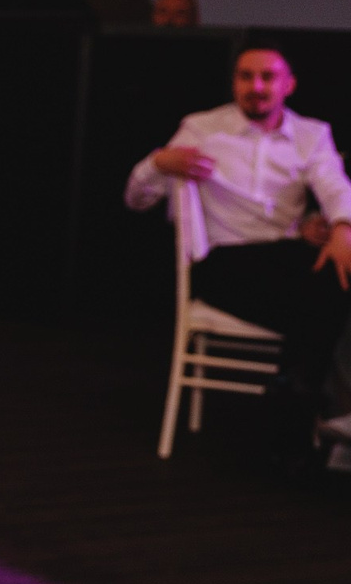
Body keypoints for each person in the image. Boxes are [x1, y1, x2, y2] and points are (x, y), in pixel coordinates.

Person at [125, 39, 351, 451]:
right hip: (223, 262)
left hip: (286, 260)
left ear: (289, 85)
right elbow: (136, 200)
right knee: (331, 294)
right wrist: (158, 163)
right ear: (234, 83)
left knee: (335, 278)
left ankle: (294, 402)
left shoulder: (311, 134)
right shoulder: (202, 128)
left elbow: (334, 185)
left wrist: (343, 227)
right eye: (246, 76)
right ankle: (308, 409)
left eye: (268, 77)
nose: (256, 86)